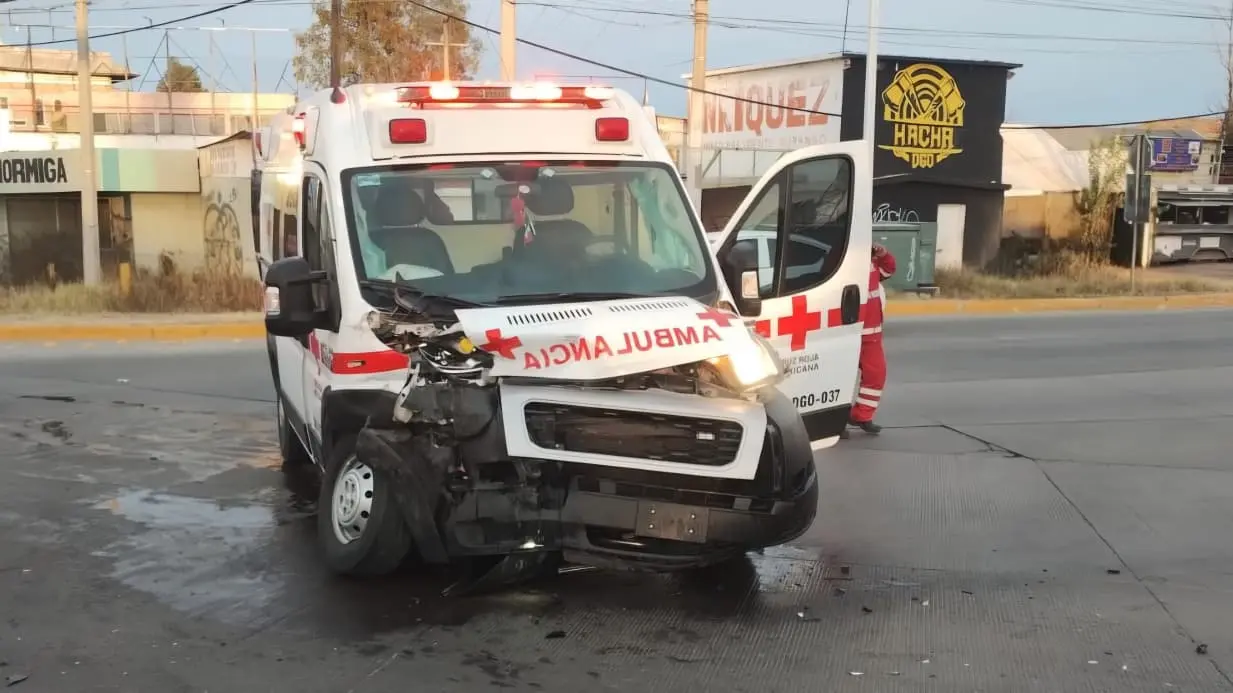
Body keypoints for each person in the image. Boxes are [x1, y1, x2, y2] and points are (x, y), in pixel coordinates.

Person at [845, 243, 896, 436]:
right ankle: (835, 421)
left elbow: (889, 269)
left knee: (876, 375)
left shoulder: (871, 263)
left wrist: (884, 255)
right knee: (841, 379)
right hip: (848, 332)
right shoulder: (845, 261)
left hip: (871, 335)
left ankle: (861, 416)